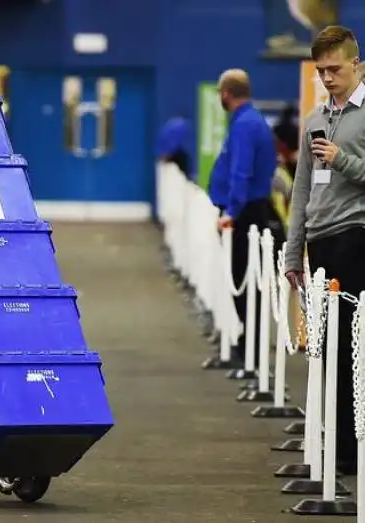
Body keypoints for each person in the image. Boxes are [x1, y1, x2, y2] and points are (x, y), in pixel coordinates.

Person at [284, 25, 365, 476]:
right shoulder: (315, 119)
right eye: (321, 71)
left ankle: (353, 448)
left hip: (357, 239)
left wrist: (342, 160)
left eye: (335, 69)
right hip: (321, 245)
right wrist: (293, 252)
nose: (328, 78)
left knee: (353, 349)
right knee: (324, 349)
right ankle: (332, 441)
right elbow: (300, 189)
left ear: (358, 65)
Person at [208, 69, 279, 365]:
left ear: (226, 93)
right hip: (249, 210)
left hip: (245, 214)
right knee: (246, 282)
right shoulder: (250, 121)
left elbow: (241, 173)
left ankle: (252, 351)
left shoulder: (245, 126)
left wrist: (231, 213)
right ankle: (247, 345)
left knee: (245, 282)